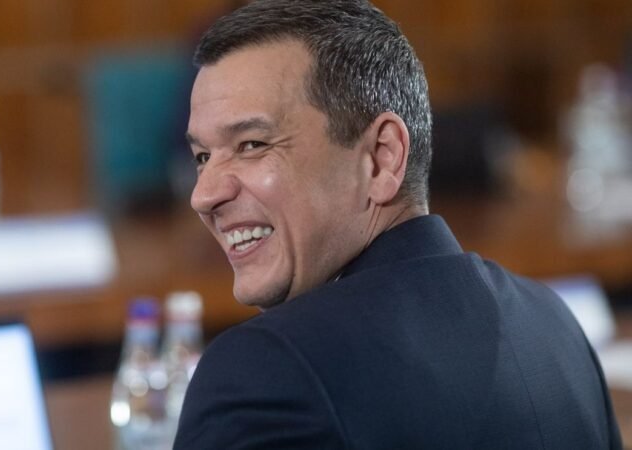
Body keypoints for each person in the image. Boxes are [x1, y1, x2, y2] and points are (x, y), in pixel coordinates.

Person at [174, 0, 622, 448]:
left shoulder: (264, 369)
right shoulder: (555, 325)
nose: (204, 195)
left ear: (381, 158)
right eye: (202, 157)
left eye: (252, 144)